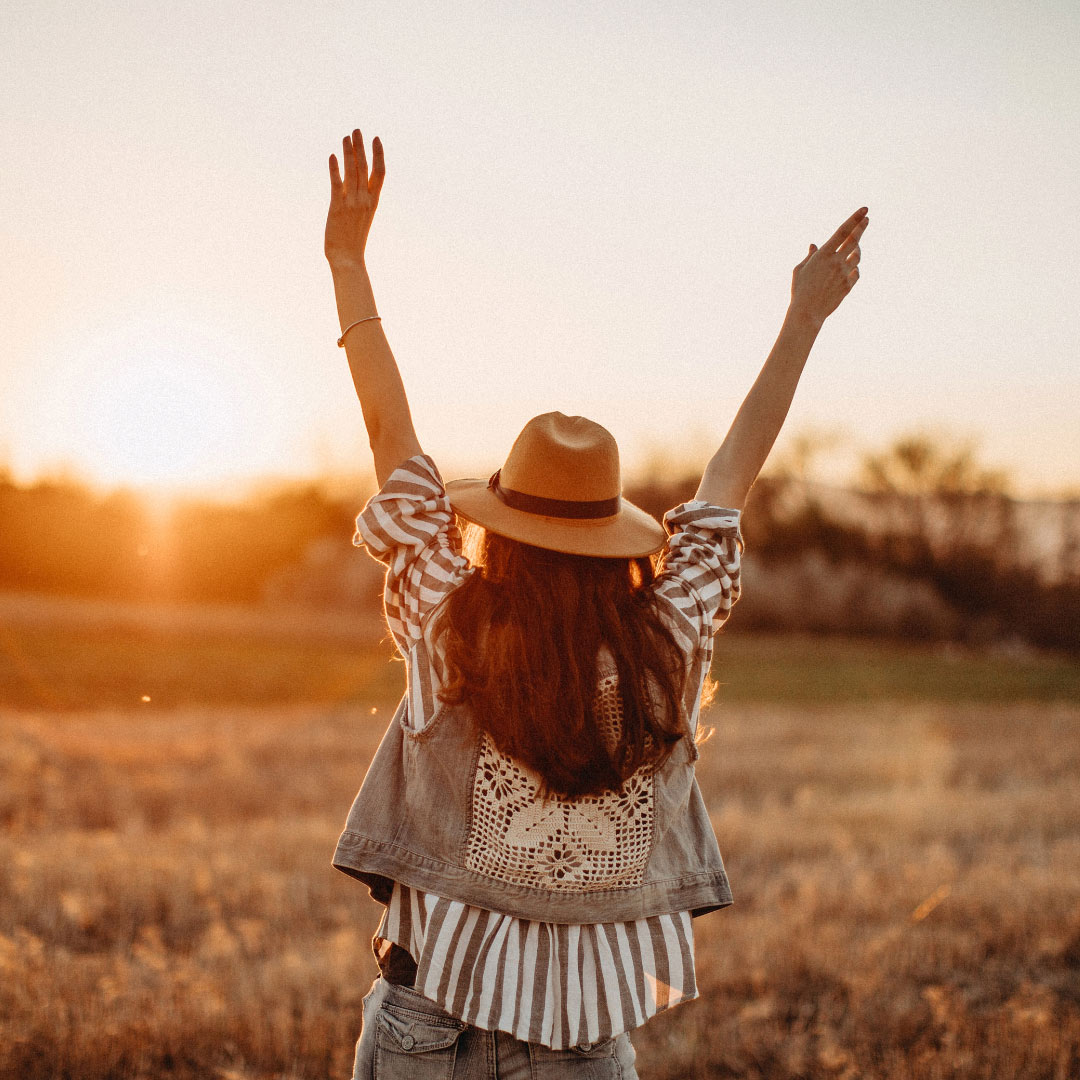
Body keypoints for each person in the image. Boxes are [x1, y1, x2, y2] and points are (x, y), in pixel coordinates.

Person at [324, 128, 867, 1080]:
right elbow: (732, 475)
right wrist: (803, 321)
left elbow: (390, 435)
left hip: (424, 1027)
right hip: (579, 1049)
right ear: (613, 538)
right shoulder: (671, 636)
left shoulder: (445, 616)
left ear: (499, 522)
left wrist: (348, 264)